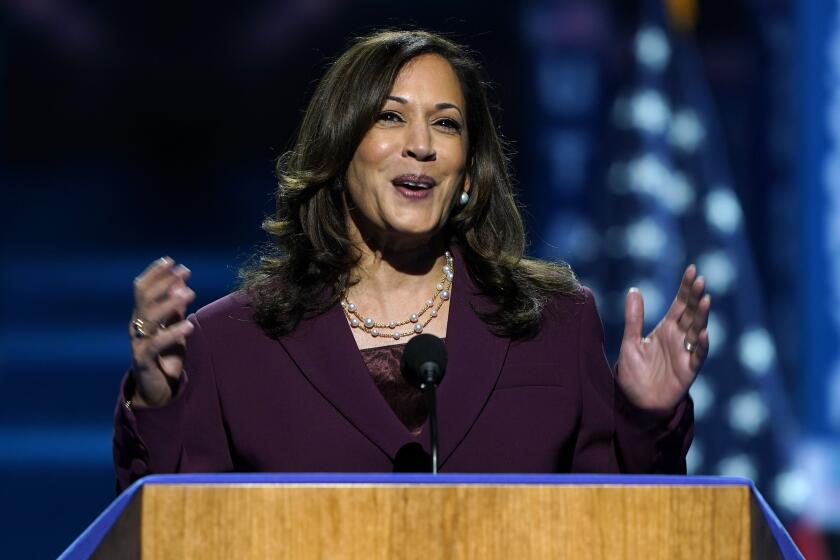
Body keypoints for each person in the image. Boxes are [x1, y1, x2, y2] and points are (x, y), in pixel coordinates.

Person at [114, 30, 710, 492]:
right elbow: (174, 533)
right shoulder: (231, 343)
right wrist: (159, 405)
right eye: (390, 116)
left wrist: (645, 417)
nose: (421, 145)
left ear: (469, 172)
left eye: (445, 124)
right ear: (339, 148)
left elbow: (619, 526)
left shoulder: (554, 324)